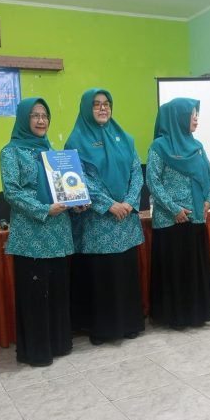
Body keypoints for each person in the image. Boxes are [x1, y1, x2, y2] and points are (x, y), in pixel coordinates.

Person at [0, 97, 84, 366]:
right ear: (24, 119)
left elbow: (65, 190)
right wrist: (44, 209)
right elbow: (12, 192)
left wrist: (75, 203)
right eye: (34, 115)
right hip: (31, 235)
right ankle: (36, 351)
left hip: (58, 233)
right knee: (34, 294)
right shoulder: (11, 152)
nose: (41, 120)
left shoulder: (53, 153)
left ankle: (59, 343)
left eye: (45, 115)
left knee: (57, 291)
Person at [65, 88, 145, 345]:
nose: (102, 108)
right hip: (97, 222)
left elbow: (136, 171)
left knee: (125, 272)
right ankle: (103, 329)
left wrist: (129, 202)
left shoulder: (125, 138)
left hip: (125, 220)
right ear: (86, 108)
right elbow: (78, 180)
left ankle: (130, 323)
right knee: (102, 275)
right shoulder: (75, 142)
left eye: (106, 103)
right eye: (96, 104)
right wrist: (109, 204)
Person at [146, 98, 210, 329]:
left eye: (197, 114)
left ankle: (197, 313)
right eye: (192, 114)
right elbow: (153, 182)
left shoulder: (197, 146)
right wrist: (174, 209)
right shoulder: (159, 147)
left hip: (196, 216)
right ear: (177, 117)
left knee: (193, 267)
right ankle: (175, 317)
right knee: (175, 269)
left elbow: (209, 175)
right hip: (171, 220)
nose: (196, 118)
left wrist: (209, 199)